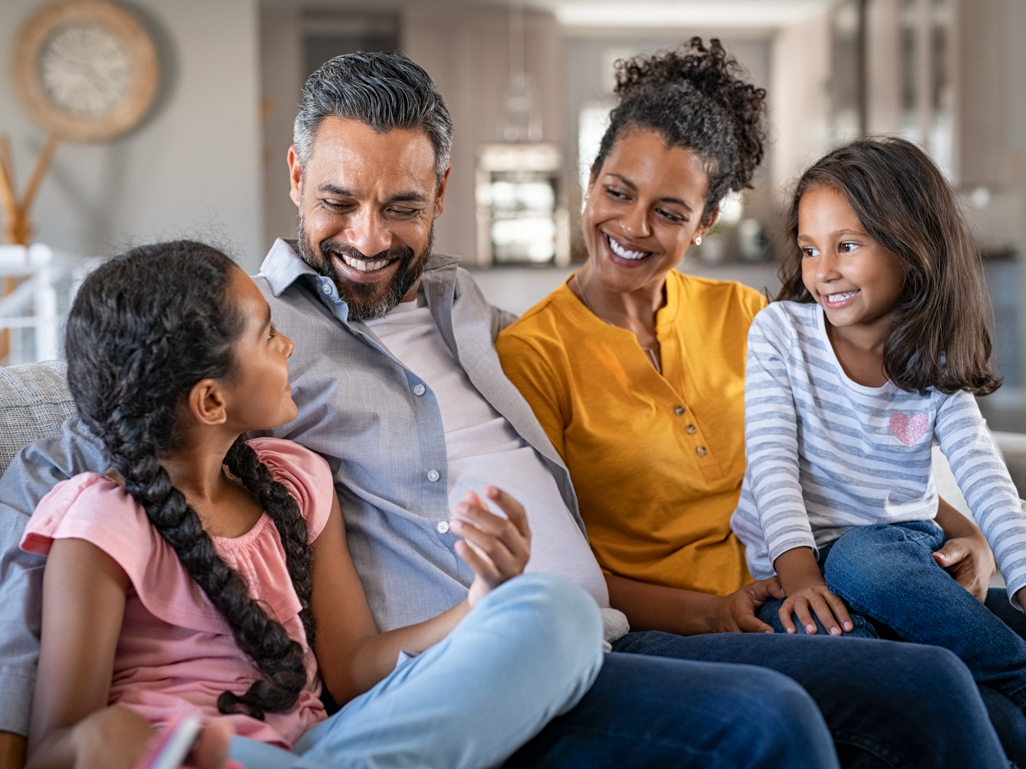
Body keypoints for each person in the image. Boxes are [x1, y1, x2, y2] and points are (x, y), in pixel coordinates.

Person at [0, 50, 1009, 769]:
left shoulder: (467, 309)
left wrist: (943, 525)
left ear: (441, 192)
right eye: (339, 200)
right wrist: (21, 728)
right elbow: (73, 460)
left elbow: (842, 419)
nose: (366, 236)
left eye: (402, 206)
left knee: (921, 687)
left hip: (597, 626)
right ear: (297, 174)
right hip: (471, 662)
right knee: (770, 719)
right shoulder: (240, 337)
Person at [496, 39, 1024, 765]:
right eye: (617, 191)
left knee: (995, 692)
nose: (633, 226)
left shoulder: (748, 315)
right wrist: (713, 609)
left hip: (820, 580)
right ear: (589, 183)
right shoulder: (533, 354)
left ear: (706, 222)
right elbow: (560, 572)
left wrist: (969, 531)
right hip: (680, 627)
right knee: (937, 685)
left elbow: (859, 445)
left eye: (670, 210)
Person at [22, 241, 604, 769]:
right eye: (268, 335)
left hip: (319, 749)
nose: (289, 346)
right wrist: (102, 739)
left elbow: (353, 672)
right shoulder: (100, 522)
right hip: (180, 756)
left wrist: (480, 602)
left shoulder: (296, 483)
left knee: (557, 612)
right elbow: (53, 746)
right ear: (210, 400)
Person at [728, 136, 1026, 700]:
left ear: (912, 248)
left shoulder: (933, 363)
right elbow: (770, 464)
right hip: (800, 567)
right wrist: (800, 579)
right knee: (844, 649)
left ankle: (1014, 670)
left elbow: (984, 476)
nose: (824, 272)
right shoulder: (780, 334)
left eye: (846, 245)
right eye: (809, 249)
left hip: (894, 556)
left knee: (862, 557)